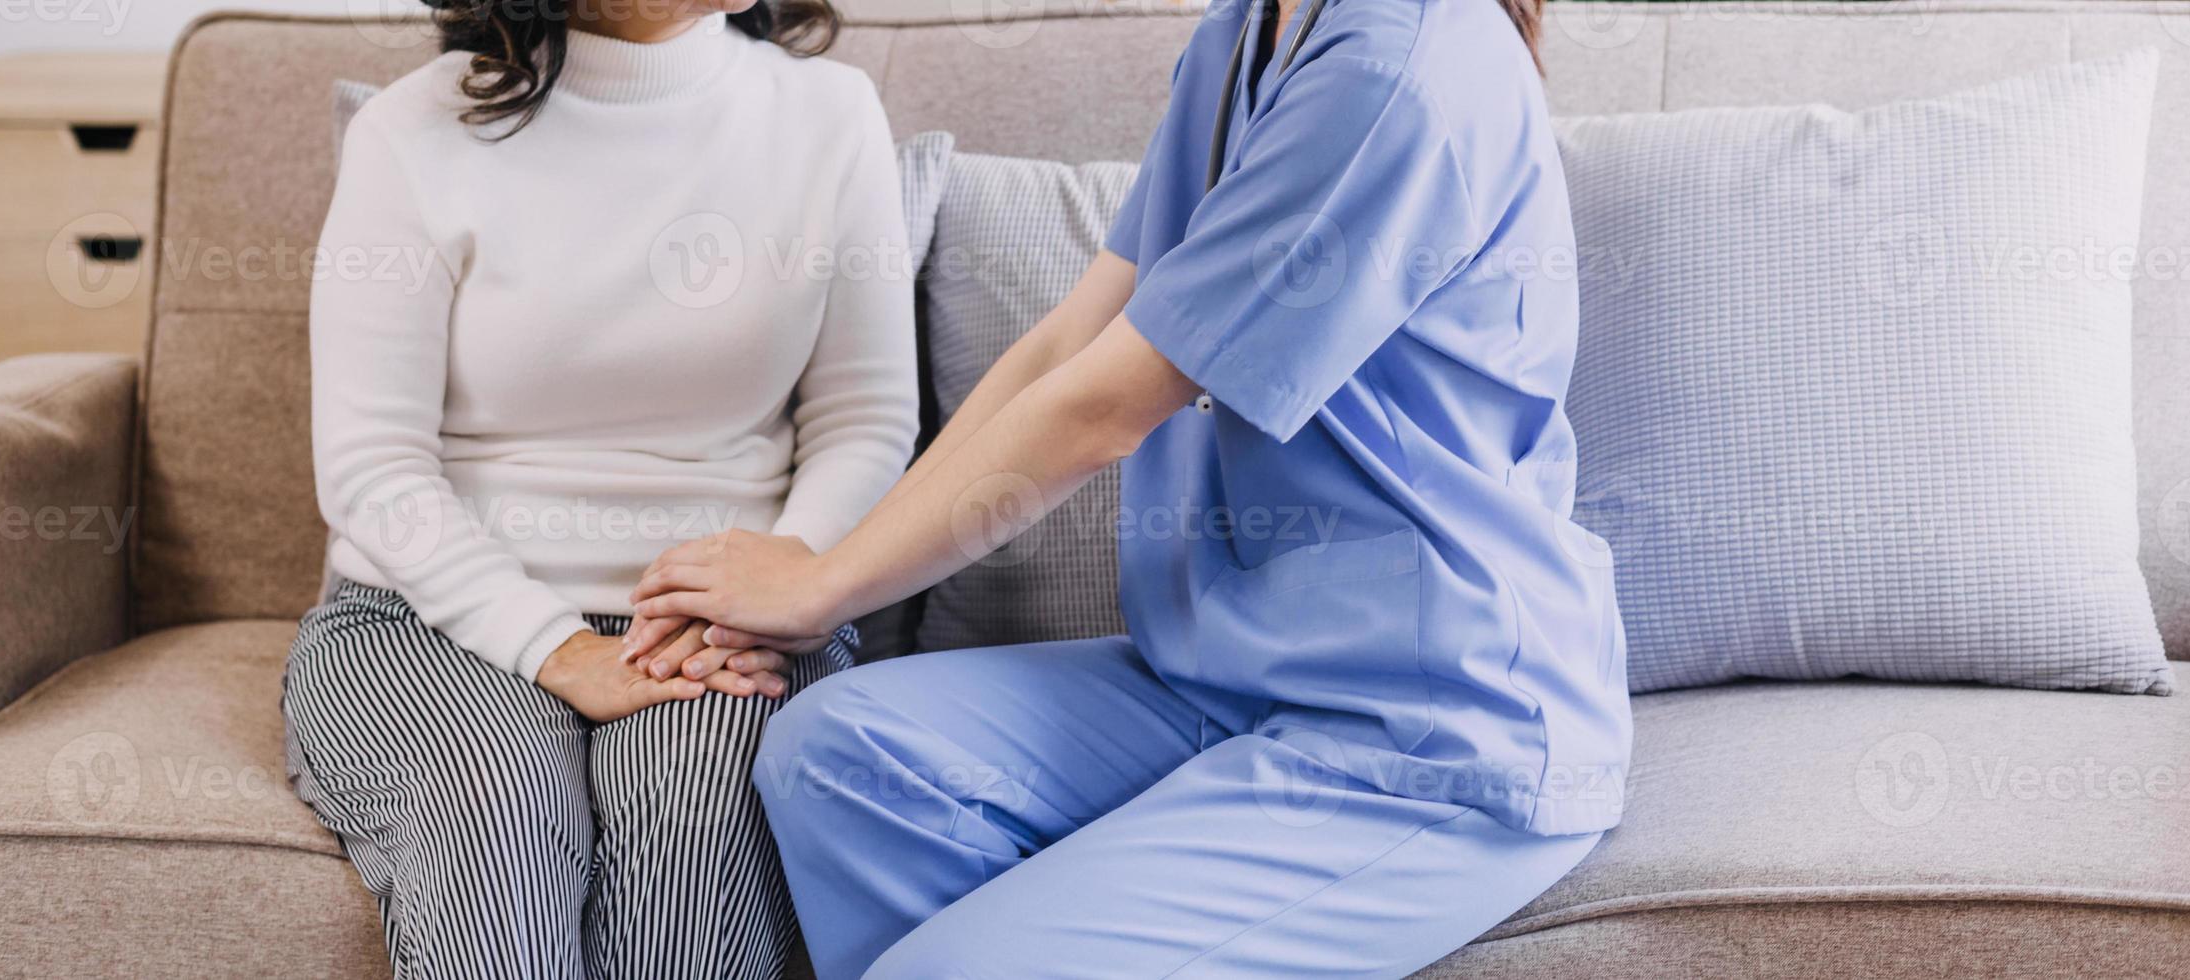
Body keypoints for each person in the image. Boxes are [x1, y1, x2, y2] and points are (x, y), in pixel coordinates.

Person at [627, 0, 1633, 973]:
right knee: (839, 754)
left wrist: (819, 590)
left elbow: (1106, 406)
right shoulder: (1242, 31)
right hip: (1231, 677)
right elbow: (1070, 345)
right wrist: (825, 574)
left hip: (1428, 728)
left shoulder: (1392, 63)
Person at [279, 0, 918, 976]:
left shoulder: (830, 114)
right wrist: (557, 646)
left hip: (729, 625)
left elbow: (864, 417)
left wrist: (777, 586)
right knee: (495, 795)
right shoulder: (412, 131)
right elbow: (372, 465)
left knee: (701, 809)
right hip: (425, 617)